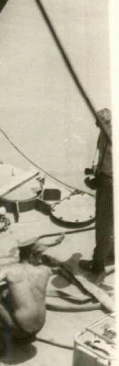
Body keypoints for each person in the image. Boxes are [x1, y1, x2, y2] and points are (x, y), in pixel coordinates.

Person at [79, 108, 113, 283]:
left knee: (103, 224)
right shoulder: (104, 134)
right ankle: (112, 254)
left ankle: (98, 266)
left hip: (111, 184)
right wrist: (96, 175)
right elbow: (104, 159)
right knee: (110, 223)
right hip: (105, 180)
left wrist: (104, 179)